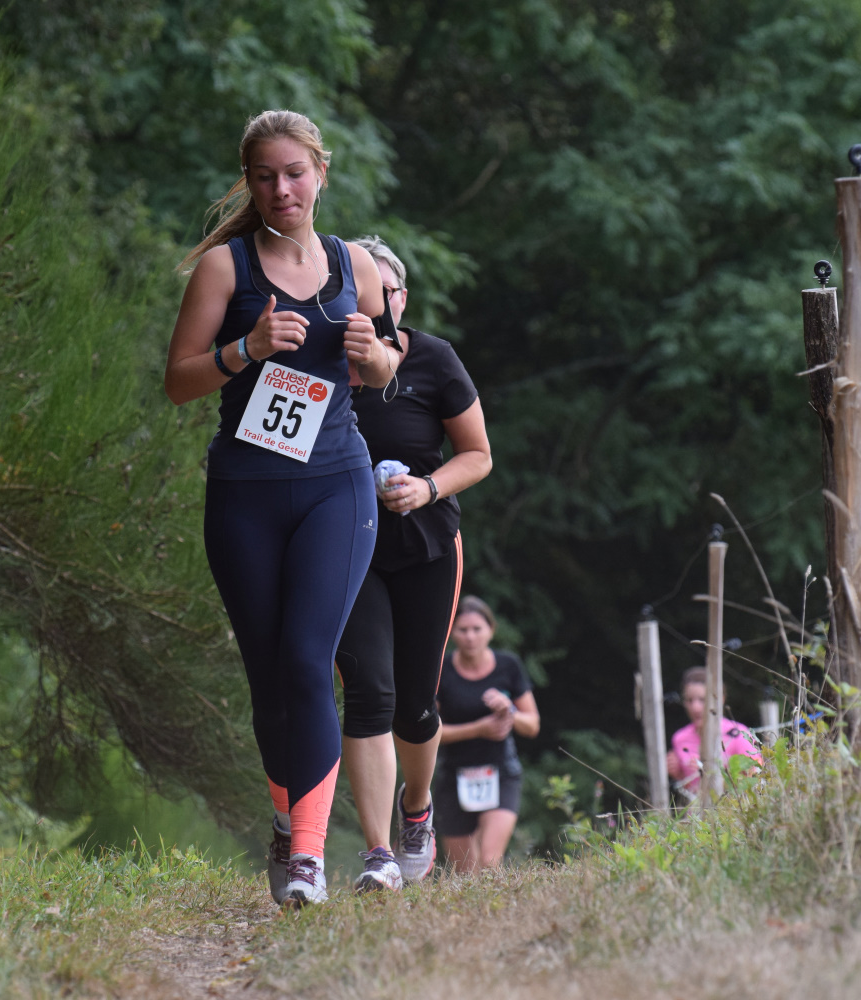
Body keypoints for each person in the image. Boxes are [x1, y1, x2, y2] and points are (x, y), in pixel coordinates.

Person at [164, 110, 400, 908]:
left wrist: (374, 358)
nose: (281, 189)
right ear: (249, 183)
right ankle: (285, 814)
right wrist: (247, 350)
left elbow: (388, 366)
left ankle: (307, 857)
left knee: (307, 661)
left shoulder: (356, 265)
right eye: (264, 177)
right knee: (270, 678)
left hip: (336, 486)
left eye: (294, 173)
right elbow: (178, 381)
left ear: (321, 174)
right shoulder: (225, 270)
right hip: (246, 493)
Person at [334, 237, 492, 893]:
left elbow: (478, 455)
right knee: (370, 691)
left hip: (426, 544)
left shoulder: (433, 358)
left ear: (400, 299)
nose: (374, 303)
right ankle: (377, 852)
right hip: (347, 548)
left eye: (385, 291)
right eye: (360, 291)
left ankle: (416, 808)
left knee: (416, 704)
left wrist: (427, 488)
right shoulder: (320, 359)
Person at [433, 596, 539, 872]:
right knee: (465, 872)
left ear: (491, 630)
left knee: (490, 861)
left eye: (477, 629)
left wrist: (510, 710)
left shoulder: (508, 665)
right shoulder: (440, 669)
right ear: (451, 633)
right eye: (463, 630)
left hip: (501, 772)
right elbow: (429, 733)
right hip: (454, 776)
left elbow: (532, 725)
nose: (470, 637)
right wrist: (478, 729)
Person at [666, 667, 763, 795]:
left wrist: (711, 770)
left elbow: (758, 778)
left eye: (702, 700)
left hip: (733, 805)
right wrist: (678, 774)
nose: (695, 707)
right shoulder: (680, 738)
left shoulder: (738, 734)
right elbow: (690, 789)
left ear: (720, 699)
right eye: (689, 700)